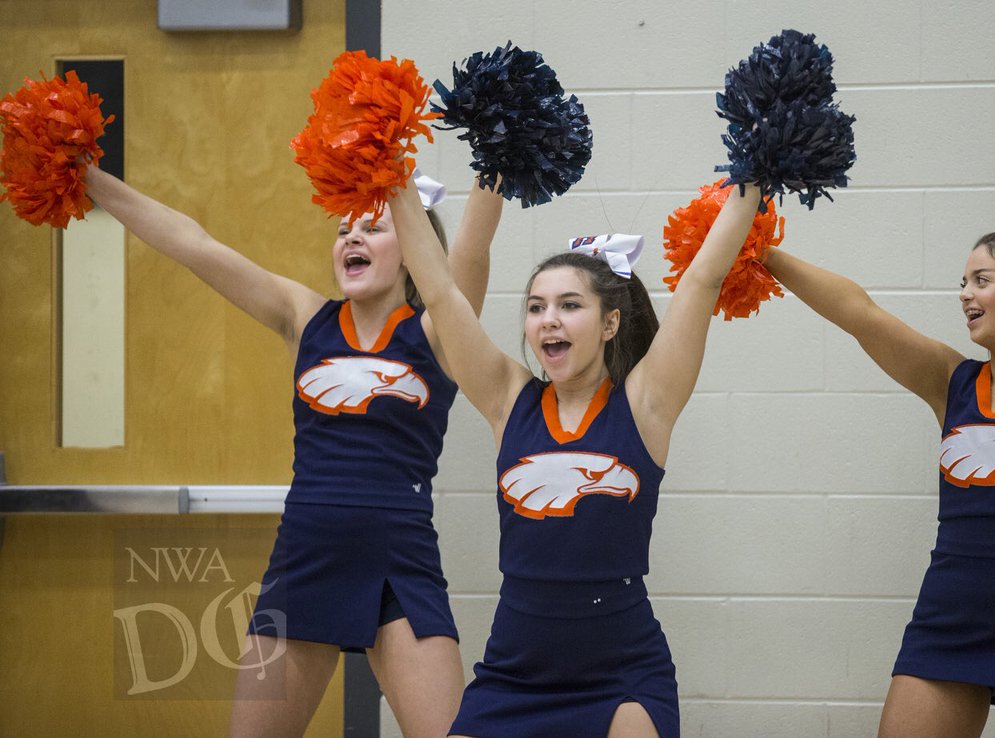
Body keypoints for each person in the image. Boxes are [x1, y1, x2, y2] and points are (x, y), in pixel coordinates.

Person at [82, 163, 503, 738]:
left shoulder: (438, 331)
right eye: (343, 230)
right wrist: (90, 179)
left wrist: (495, 158)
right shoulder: (304, 317)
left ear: (413, 249)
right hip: (306, 557)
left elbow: (472, 256)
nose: (352, 236)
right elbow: (194, 246)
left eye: (373, 228)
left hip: (399, 564)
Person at [387, 172, 764, 737]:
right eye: (536, 307)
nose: (549, 320)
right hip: (515, 671)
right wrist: (390, 175)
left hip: (622, 675)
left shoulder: (645, 403)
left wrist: (755, 173)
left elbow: (703, 281)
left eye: (569, 305)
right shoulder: (506, 398)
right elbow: (439, 291)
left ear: (611, 322)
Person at [763, 214, 995, 738]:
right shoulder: (951, 381)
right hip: (950, 609)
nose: (964, 294)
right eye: (963, 282)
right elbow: (859, 314)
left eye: (982, 280)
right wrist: (760, 254)